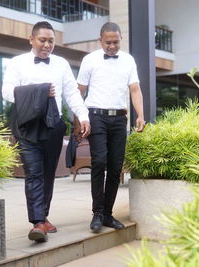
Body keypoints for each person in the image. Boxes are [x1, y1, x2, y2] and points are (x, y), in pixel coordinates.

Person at [2, 21, 91, 242]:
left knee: (48, 173)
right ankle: (37, 222)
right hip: (27, 127)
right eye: (42, 40)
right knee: (33, 173)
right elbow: (6, 92)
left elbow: (71, 93)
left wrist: (83, 116)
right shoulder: (17, 63)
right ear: (31, 40)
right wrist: (40, 93)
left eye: (51, 41)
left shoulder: (60, 64)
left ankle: (44, 216)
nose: (47, 45)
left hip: (54, 125)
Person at [76, 22, 145, 233]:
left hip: (119, 118)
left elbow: (135, 89)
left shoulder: (128, 60)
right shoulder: (90, 60)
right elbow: (78, 91)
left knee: (116, 167)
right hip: (95, 115)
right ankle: (97, 213)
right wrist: (78, 119)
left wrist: (140, 115)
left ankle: (107, 213)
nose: (112, 46)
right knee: (99, 162)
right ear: (100, 41)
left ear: (120, 39)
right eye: (108, 42)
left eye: (115, 42)